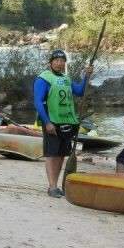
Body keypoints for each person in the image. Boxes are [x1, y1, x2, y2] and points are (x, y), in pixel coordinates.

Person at [33, 49, 93, 198]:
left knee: (60, 155)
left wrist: (86, 76)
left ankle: (57, 185)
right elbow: (38, 102)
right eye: (57, 61)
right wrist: (47, 122)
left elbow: (79, 91)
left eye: (62, 61)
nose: (60, 64)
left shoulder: (66, 79)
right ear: (50, 62)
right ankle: (51, 186)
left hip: (67, 122)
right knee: (51, 155)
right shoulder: (43, 79)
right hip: (52, 122)